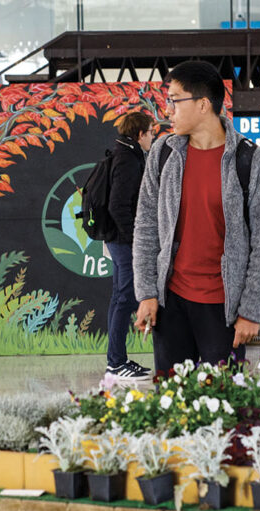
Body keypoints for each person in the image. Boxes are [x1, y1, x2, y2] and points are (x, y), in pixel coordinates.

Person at [133, 61, 260, 373]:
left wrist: (252, 311)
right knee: (171, 403)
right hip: (170, 303)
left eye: (175, 99)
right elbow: (146, 226)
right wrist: (147, 293)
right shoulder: (164, 153)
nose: (167, 109)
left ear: (203, 104)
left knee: (221, 408)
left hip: (223, 309)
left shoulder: (255, 164)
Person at [102, 112, 155, 382]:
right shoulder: (128, 159)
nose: (153, 136)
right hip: (123, 241)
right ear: (140, 134)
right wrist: (135, 240)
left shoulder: (125, 153)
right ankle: (116, 363)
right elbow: (117, 205)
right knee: (125, 298)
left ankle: (116, 361)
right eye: (150, 132)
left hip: (117, 239)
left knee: (119, 298)